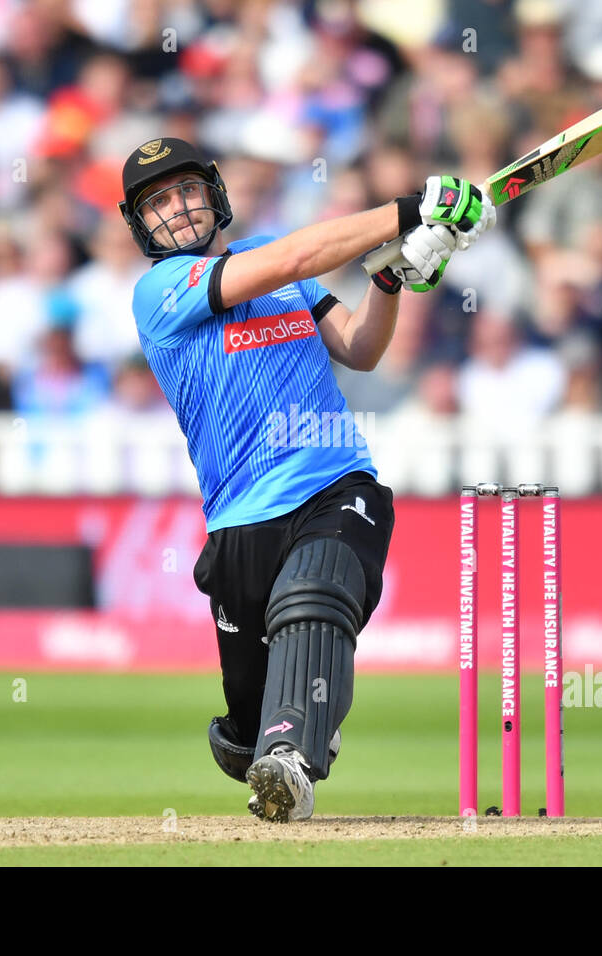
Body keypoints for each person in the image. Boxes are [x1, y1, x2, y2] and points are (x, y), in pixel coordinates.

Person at [120, 137, 494, 822]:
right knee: (247, 730)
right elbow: (294, 256)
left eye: (186, 191)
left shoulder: (277, 267)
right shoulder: (159, 293)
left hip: (335, 484)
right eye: (158, 203)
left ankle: (293, 761)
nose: (177, 209)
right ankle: (267, 731)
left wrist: (390, 279)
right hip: (241, 519)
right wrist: (409, 211)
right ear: (141, 224)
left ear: (214, 194)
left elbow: (360, 347)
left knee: (314, 596)